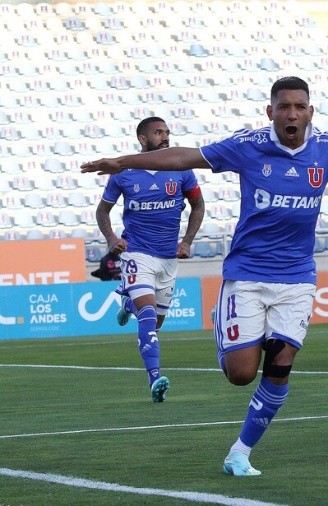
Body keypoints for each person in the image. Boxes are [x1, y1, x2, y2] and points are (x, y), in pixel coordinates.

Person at [81, 77, 328, 476]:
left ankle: (240, 452)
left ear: (310, 112)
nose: (292, 114)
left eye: (299, 107)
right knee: (241, 374)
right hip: (247, 273)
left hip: (297, 277)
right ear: (271, 112)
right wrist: (123, 162)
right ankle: (225, 325)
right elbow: (184, 157)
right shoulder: (248, 145)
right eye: (284, 107)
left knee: (281, 363)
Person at [94, 116, 205, 403]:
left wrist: (187, 240)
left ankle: (128, 303)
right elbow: (102, 211)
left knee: (156, 322)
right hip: (137, 253)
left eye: (167, 132)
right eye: (158, 132)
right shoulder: (123, 173)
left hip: (168, 258)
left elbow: (198, 205)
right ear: (143, 139)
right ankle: (155, 379)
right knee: (147, 314)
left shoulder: (182, 170)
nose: (165, 136)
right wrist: (111, 239)